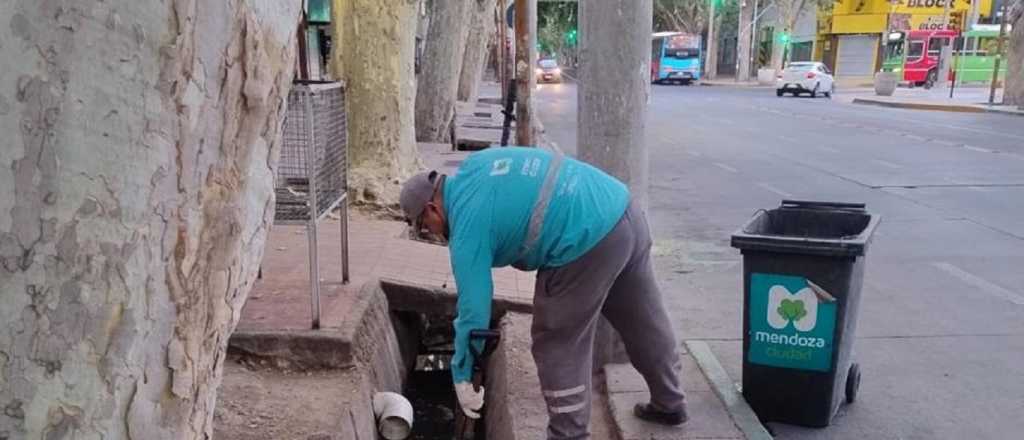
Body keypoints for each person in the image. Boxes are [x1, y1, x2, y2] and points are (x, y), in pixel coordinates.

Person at [400, 147, 685, 439]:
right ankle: (670, 401)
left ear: (432, 209)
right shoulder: (476, 165)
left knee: (557, 340)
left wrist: (461, 375)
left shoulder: (466, 225)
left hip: (582, 240)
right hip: (622, 209)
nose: (431, 233)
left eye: (424, 227)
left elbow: (473, 309)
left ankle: (568, 434)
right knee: (644, 319)